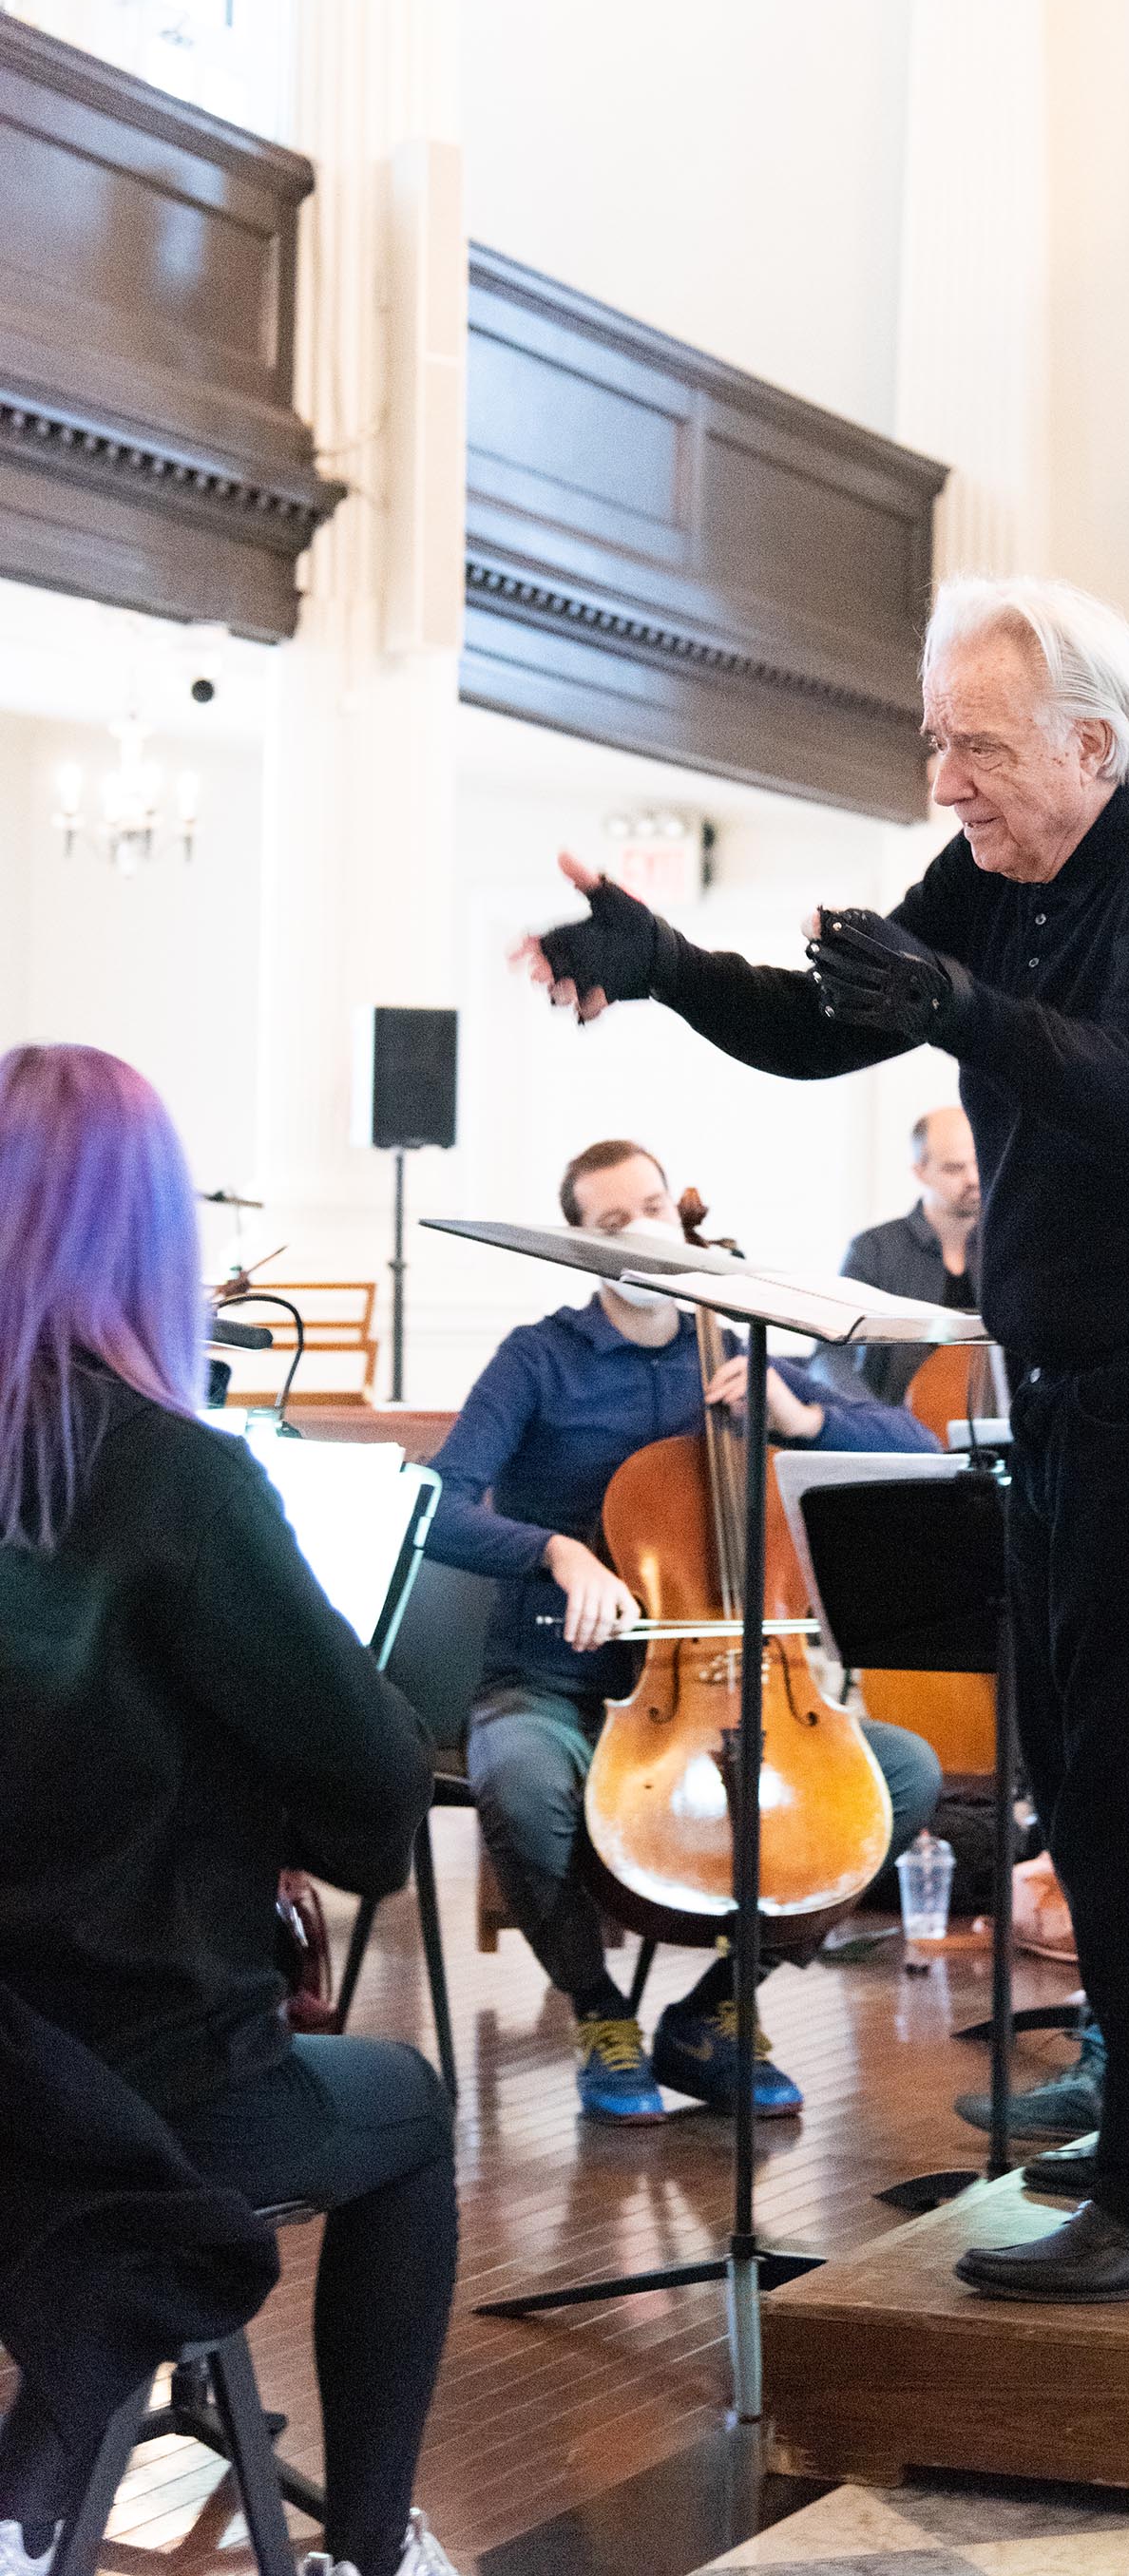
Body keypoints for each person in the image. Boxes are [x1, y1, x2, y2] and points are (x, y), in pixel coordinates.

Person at [515, 573, 1129, 2306]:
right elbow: (837, 1022)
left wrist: (952, 1004)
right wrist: (664, 967)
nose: (946, 782)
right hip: (1092, 1391)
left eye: (975, 745)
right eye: (933, 745)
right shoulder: (991, 876)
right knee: (1090, 1768)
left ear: (1089, 743)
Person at [0, 1046, 458, 2576]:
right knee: (409, 2108)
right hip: (130, 2076)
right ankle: (371, 2552)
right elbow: (372, 1792)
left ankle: (42, 2467)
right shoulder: (181, 1481)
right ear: (150, 1241)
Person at [426, 1135, 944, 2127]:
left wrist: (801, 1420)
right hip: (558, 1675)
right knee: (525, 1781)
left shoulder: (746, 1350)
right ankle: (597, 2012)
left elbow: (914, 1449)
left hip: (743, 1691)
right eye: (614, 1222)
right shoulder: (540, 1358)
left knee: (904, 1775)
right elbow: (439, 1503)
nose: (646, 1232)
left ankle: (716, 2012)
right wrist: (557, 1553)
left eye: (655, 1207)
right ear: (576, 1243)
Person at [814, 1104, 983, 1404]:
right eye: (954, 1168)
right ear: (920, 1171)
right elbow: (830, 1357)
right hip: (901, 1433)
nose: (973, 1178)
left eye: (979, 1161)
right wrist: (875, 1421)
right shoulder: (874, 1250)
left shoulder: (1009, 1248)